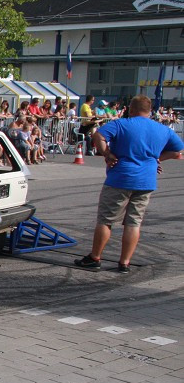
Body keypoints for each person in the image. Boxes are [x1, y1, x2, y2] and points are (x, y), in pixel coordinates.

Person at [74, 95, 183, 273]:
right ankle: (124, 262)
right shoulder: (162, 129)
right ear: (149, 111)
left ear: (130, 109)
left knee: (106, 220)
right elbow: (178, 151)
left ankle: (95, 257)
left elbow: (98, 135)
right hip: (146, 181)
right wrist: (157, 160)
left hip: (120, 177)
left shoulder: (121, 124)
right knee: (134, 223)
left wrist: (108, 154)